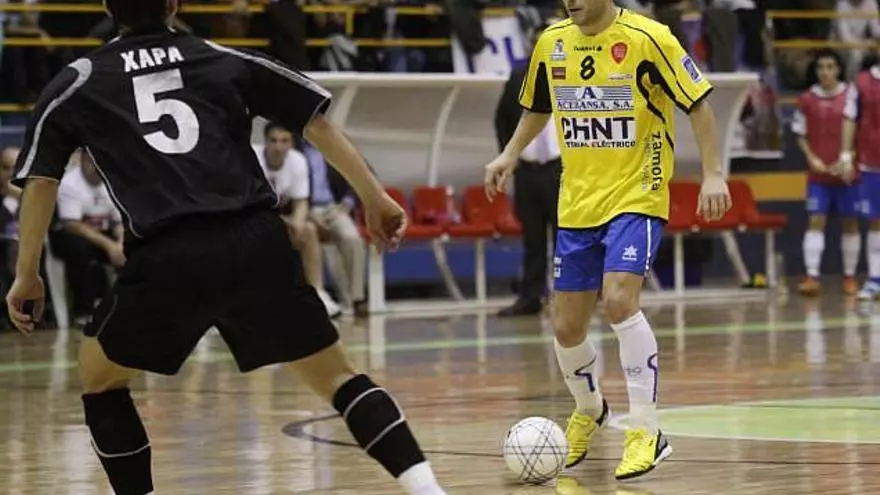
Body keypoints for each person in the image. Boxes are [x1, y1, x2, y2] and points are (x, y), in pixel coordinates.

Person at [6, 2, 446, 495]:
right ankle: (428, 489)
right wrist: (374, 196)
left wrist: (27, 273)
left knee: (99, 377)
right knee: (339, 378)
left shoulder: (77, 81)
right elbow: (315, 121)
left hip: (168, 254)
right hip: (256, 240)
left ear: (108, 7)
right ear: (174, 4)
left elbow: (41, 181)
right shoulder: (222, 57)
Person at [484, 0, 731, 481]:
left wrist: (713, 173)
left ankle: (646, 430)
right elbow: (538, 107)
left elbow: (698, 104)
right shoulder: (552, 43)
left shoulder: (650, 38)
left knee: (619, 300)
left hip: (637, 193)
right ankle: (590, 408)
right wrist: (509, 154)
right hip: (578, 202)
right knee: (566, 327)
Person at [494, 20, 561, 317]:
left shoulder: (573, 75)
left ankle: (572, 295)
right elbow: (501, 119)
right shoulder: (519, 77)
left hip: (562, 168)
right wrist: (509, 157)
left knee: (567, 237)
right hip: (528, 169)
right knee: (532, 238)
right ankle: (531, 297)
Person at [255, 121, 342, 318]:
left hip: (280, 219)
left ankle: (318, 292)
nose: (278, 146)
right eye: (273, 141)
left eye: (284, 141)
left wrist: (297, 224)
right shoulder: (252, 158)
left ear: (291, 143)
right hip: (253, 218)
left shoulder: (297, 161)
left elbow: (301, 203)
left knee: (308, 230)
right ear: (265, 141)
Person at [792, 49, 861, 297]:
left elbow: (860, 131)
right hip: (819, 175)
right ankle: (812, 276)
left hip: (847, 173)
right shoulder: (807, 99)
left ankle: (850, 277)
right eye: (821, 67)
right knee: (816, 220)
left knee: (850, 222)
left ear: (839, 69)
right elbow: (800, 133)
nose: (825, 72)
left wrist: (848, 159)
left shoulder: (851, 95)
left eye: (830, 67)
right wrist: (812, 158)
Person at [50, 150, 126, 325]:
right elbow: (72, 224)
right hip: (71, 234)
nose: (97, 167)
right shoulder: (69, 183)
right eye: (93, 162)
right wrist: (110, 246)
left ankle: (125, 305)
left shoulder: (113, 181)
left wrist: (121, 244)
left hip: (104, 233)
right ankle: (83, 311)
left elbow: (118, 222)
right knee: (79, 249)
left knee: (135, 246)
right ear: (83, 160)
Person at [301, 140, 369, 317]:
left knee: (352, 238)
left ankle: (357, 298)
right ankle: (321, 298)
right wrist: (305, 212)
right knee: (310, 235)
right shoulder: (292, 147)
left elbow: (362, 175)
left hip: (334, 207)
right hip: (306, 209)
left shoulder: (334, 143)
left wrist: (348, 203)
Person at [843, 60, 880, 301]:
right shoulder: (862, 82)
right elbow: (849, 118)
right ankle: (876, 279)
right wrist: (846, 155)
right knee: (876, 222)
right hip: (872, 163)